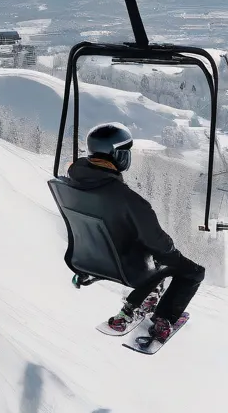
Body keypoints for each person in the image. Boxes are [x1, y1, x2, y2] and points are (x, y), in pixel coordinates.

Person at [66, 122, 205, 342]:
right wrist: (173, 255)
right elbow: (159, 245)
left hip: (88, 259)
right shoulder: (127, 199)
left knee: (152, 255)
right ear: (118, 156)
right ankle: (163, 319)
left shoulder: (71, 183)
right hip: (126, 268)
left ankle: (142, 301)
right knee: (191, 271)